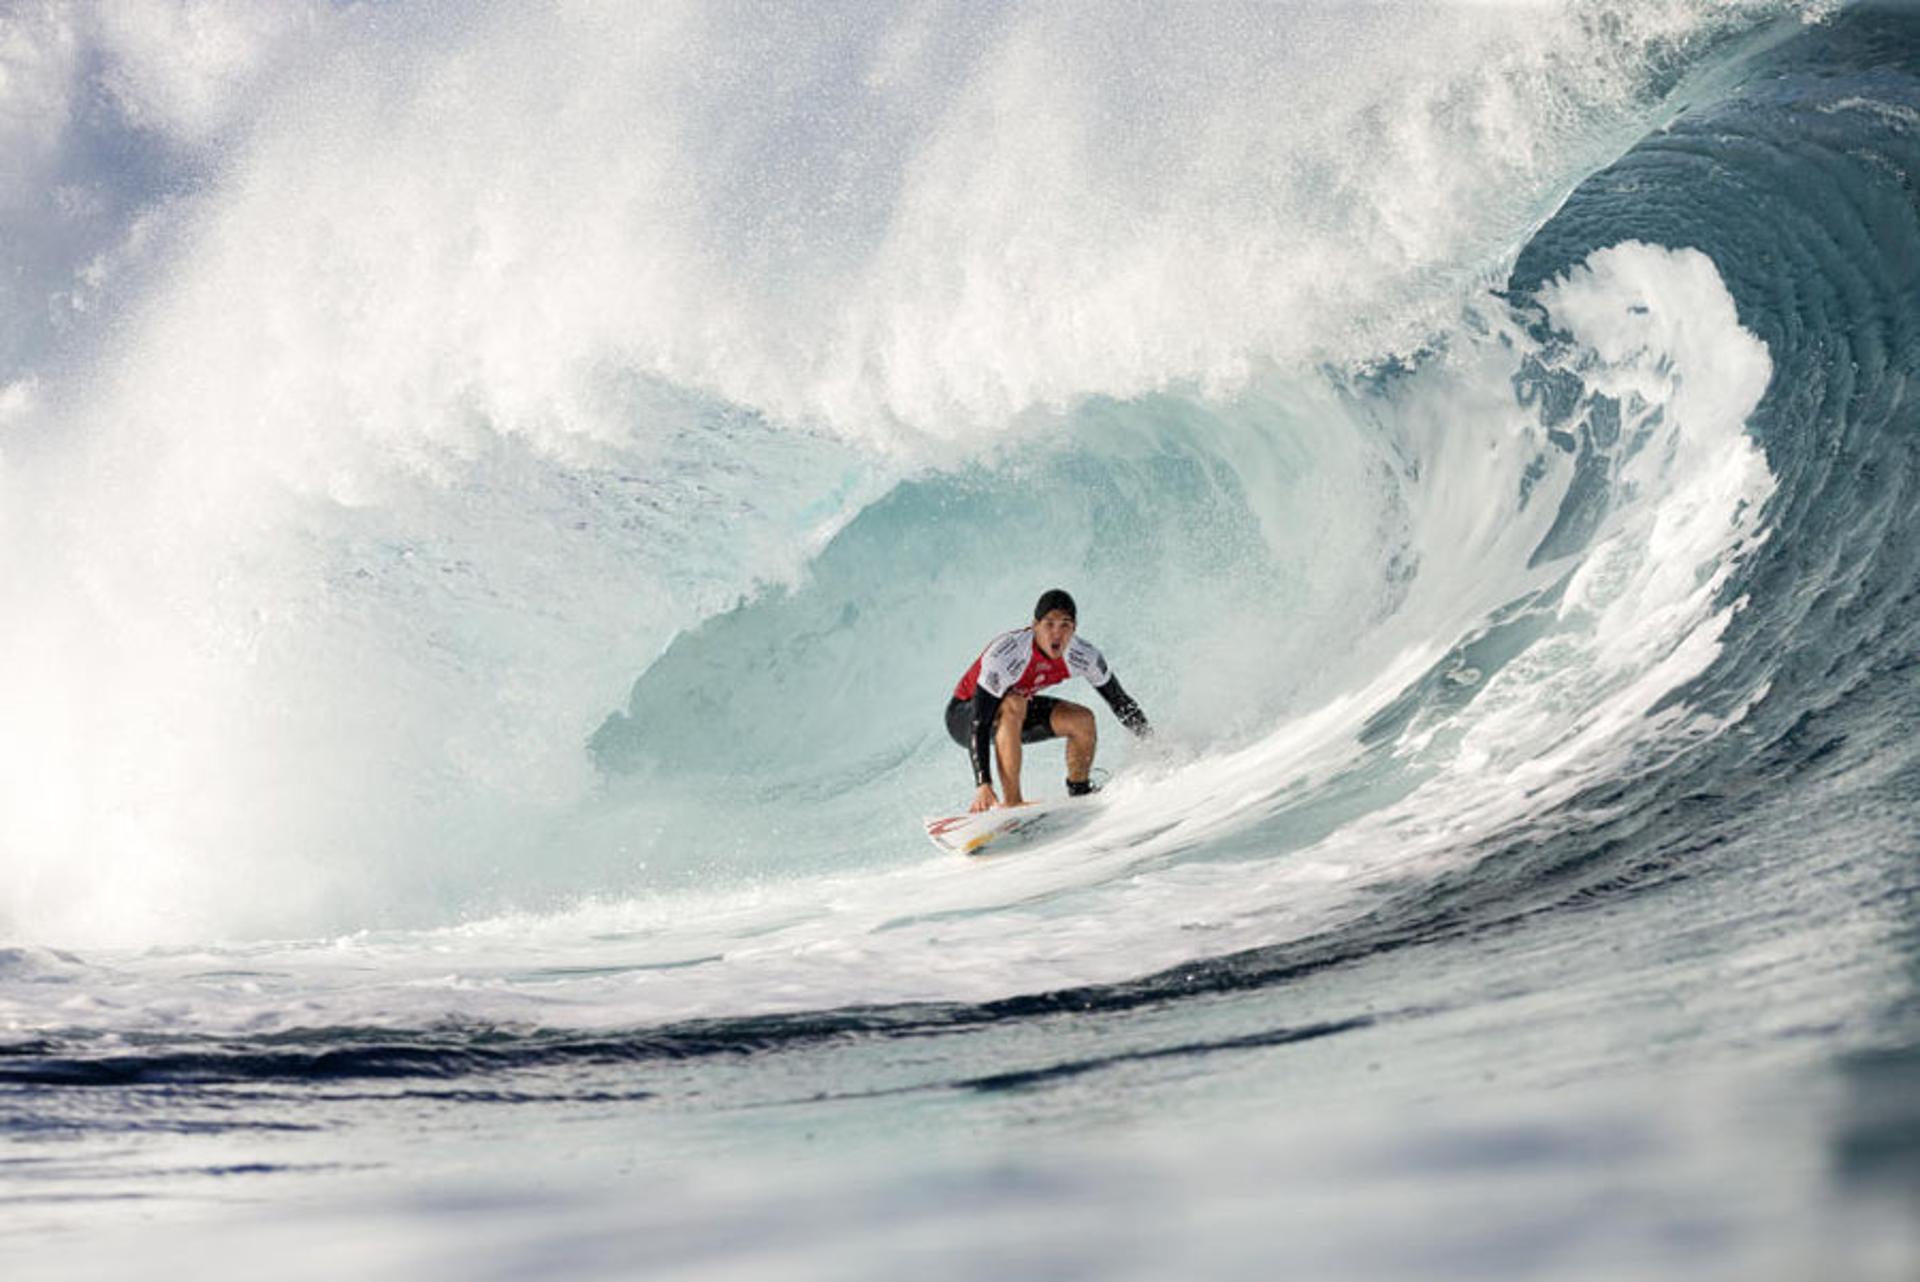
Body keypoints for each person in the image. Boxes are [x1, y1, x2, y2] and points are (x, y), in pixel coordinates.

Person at [945, 589, 1150, 813]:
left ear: (1074, 629)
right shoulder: (1007, 654)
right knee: (1014, 702)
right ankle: (1013, 803)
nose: (1057, 633)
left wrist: (1151, 742)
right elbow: (980, 722)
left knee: (1082, 720)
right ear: (1035, 626)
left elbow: (1119, 701)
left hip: (1014, 716)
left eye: (1065, 625)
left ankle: (1079, 791)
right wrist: (983, 783)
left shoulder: (1083, 656)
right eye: (1049, 624)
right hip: (965, 715)